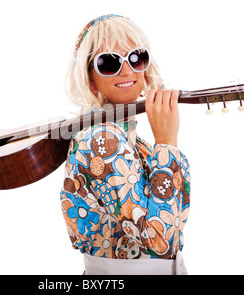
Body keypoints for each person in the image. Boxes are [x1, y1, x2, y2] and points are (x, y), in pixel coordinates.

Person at [60, 14, 191, 275]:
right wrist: (166, 143)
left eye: (136, 57)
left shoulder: (134, 142)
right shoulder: (101, 141)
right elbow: (160, 241)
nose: (127, 70)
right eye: (109, 62)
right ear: (89, 79)